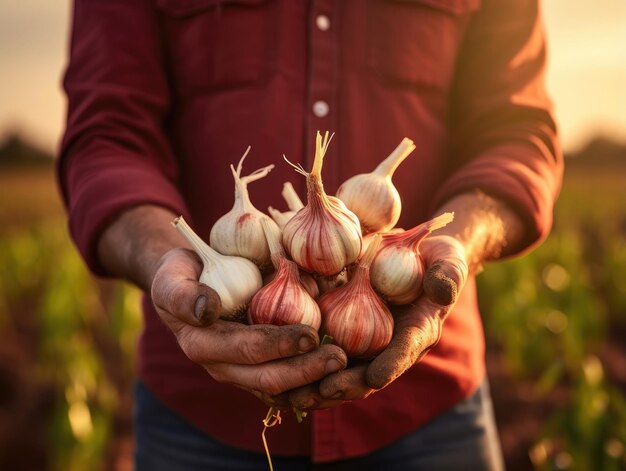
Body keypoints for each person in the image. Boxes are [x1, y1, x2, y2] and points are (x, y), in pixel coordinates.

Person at [57, 0, 562, 469]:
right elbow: (106, 135)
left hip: (431, 413)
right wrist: (163, 259)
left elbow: (518, 134)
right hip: (198, 419)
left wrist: (457, 247)